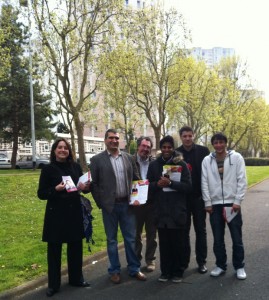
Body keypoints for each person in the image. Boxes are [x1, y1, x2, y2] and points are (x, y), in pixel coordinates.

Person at [90, 129, 146, 284]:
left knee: (131, 239)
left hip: (127, 205)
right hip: (110, 207)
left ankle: (134, 268)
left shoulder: (128, 158)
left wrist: (139, 195)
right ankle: (114, 270)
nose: (114, 140)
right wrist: (100, 203)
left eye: (116, 138)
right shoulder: (96, 160)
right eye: (111, 138)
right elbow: (94, 184)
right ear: (105, 140)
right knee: (112, 240)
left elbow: (136, 179)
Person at [37, 138, 91, 297]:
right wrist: (56, 188)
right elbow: (41, 194)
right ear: (54, 150)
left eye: (65, 148)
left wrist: (85, 187)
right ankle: (53, 285)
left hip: (73, 213)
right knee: (54, 251)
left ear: (69, 151)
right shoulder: (48, 169)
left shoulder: (75, 167)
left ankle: (76, 278)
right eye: (59, 147)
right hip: (56, 215)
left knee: (75, 248)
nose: (63, 150)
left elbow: (82, 188)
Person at [201, 132, 247, 279]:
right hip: (214, 205)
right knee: (218, 238)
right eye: (216, 143)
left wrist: (237, 201)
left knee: (236, 238)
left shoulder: (237, 158)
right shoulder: (207, 161)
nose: (219, 145)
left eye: (221, 142)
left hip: (232, 203)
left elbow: (242, 180)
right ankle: (220, 265)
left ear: (225, 143)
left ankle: (239, 266)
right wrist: (207, 203)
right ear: (212, 144)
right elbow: (204, 182)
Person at [147, 135, 191, 283]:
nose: (166, 150)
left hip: (177, 210)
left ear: (173, 148)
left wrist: (171, 183)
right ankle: (165, 272)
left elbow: (188, 187)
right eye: (164, 147)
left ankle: (178, 272)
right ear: (161, 148)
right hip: (161, 211)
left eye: (169, 147)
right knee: (164, 244)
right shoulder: (154, 165)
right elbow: (148, 186)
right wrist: (156, 185)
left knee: (178, 244)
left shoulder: (182, 165)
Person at [176, 126, 210, 274]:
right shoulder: (176, 153)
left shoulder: (203, 151)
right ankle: (184, 262)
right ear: (181, 137)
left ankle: (201, 262)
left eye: (190, 136)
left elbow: (209, 174)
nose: (188, 138)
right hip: (182, 200)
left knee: (200, 231)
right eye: (185, 136)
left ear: (194, 136)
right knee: (184, 232)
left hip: (199, 198)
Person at [133, 136, 157, 272]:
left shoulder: (154, 163)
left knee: (152, 234)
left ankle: (150, 260)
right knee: (136, 234)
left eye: (148, 147)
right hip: (136, 204)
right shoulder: (130, 161)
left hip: (151, 203)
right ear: (138, 147)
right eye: (143, 146)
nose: (146, 149)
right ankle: (136, 260)